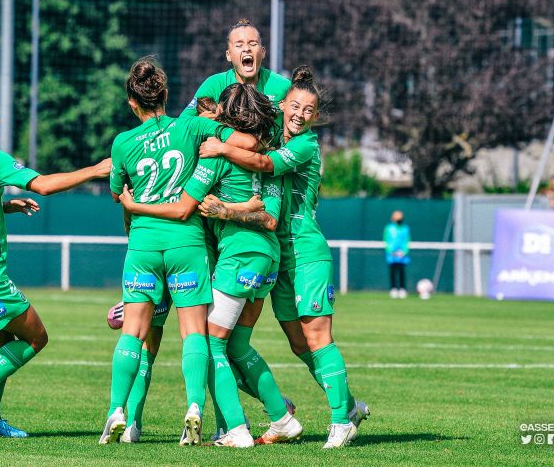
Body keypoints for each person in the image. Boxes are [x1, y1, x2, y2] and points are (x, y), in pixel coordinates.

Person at [119, 83, 303, 447]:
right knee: (238, 346)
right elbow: (269, 218)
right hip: (267, 259)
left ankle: (235, 428)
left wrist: (137, 204)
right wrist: (245, 207)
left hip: (237, 257)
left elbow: (183, 201)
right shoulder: (270, 158)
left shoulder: (217, 157)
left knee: (209, 343)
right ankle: (281, 418)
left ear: (228, 117)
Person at [197, 66, 369, 448]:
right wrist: (213, 119)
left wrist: (221, 146)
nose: (300, 114)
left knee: (318, 335)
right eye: (295, 106)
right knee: (296, 343)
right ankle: (344, 404)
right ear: (283, 105)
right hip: (278, 256)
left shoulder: (305, 145)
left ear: (316, 117)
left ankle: (341, 420)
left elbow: (265, 164)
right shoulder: (274, 131)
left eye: (309, 110)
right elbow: (250, 131)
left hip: (306, 251)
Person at [99, 58, 258, 447]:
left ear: (132, 103)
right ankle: (193, 407)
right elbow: (250, 142)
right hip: (187, 244)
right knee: (194, 334)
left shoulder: (122, 142)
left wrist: (134, 210)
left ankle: (118, 411)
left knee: (133, 335)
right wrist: (220, 141)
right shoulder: (191, 126)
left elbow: (120, 194)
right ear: (166, 96)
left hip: (143, 245)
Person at [0, 91, 111, 438]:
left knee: (0, 347)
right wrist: (95, 169)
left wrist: (5, 206)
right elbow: (44, 186)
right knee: (36, 338)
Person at [181, 18, 290, 135]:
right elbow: (181, 124)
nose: (247, 49)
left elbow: (304, 126)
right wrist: (200, 123)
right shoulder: (214, 84)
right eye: (239, 45)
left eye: (253, 43)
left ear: (263, 52)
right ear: (228, 55)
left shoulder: (283, 87)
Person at [384, 210, 411, 299]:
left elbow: (407, 241)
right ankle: (393, 289)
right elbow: (386, 241)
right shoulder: (389, 228)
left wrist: (404, 252)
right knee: (392, 271)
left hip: (402, 255)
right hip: (392, 255)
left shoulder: (405, 228)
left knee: (401, 271)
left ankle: (402, 289)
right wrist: (392, 251)